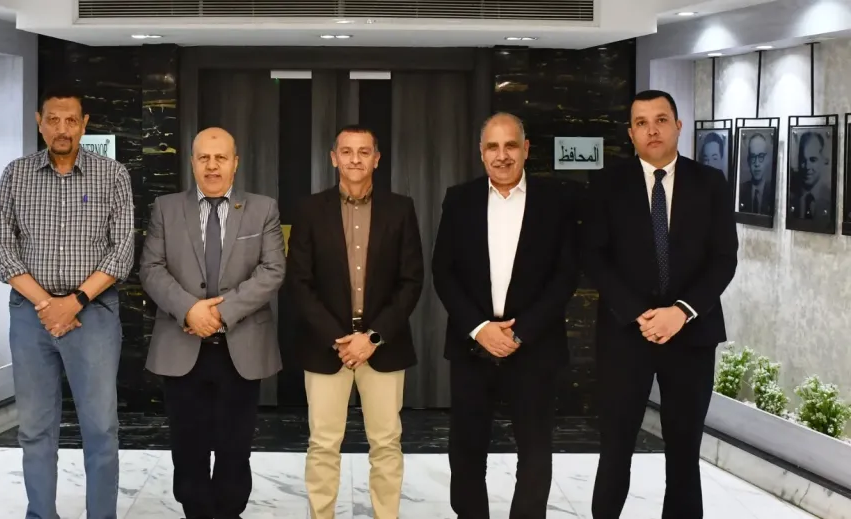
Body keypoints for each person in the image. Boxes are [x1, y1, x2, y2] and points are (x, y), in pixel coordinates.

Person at [583, 90, 738, 519]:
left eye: (661, 120)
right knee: (615, 447)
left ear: (678, 126)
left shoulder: (710, 183)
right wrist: (639, 313)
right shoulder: (606, 184)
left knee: (685, 451)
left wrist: (681, 312)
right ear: (630, 132)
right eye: (641, 122)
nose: (652, 130)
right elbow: (593, 256)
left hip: (692, 335)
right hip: (624, 335)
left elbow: (724, 258)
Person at [0, 86, 134, 519]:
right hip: (30, 318)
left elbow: (122, 252)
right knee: (35, 429)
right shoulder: (16, 174)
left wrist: (74, 302)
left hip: (94, 315)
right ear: (39, 122)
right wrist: (47, 305)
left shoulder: (112, 175)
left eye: (71, 120)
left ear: (84, 124)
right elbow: (2, 252)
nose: (62, 129)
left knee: (101, 429)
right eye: (53, 119)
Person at [432, 113, 579, 519]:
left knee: (535, 452)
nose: (502, 155)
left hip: (534, 345)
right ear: (481, 153)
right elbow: (443, 271)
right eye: (493, 147)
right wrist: (480, 329)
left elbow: (566, 275)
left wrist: (520, 332)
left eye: (511, 145)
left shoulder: (557, 201)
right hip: (472, 346)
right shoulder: (459, 199)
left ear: (526, 149)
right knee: (466, 450)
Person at [139, 126, 285, 519]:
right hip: (181, 348)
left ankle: (229, 512)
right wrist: (190, 309)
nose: (212, 165)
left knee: (235, 449)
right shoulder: (167, 208)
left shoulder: (263, 208)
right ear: (192, 163)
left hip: (241, 349)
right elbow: (151, 268)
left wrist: (219, 313)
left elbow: (273, 270)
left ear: (236, 163)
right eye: (204, 157)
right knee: (188, 448)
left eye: (221, 157)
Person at [286, 124, 424, 519]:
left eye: (364, 152)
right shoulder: (309, 210)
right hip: (326, 347)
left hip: (384, 346)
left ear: (376, 159)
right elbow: (299, 282)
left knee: (387, 444)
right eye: (347, 151)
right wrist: (339, 338)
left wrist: (372, 337)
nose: (355, 159)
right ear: (334, 158)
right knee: (323, 444)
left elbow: (411, 281)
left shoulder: (401, 209)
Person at [790, 131, 830, 221]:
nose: (807, 166)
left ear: (823, 161)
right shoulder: (789, 197)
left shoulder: (831, 198)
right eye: (803, 160)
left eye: (813, 160)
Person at [738, 132, 774, 215]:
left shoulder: (773, 191)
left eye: (761, 156)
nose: (757, 163)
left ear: (767, 159)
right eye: (753, 157)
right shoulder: (740, 190)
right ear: (748, 161)